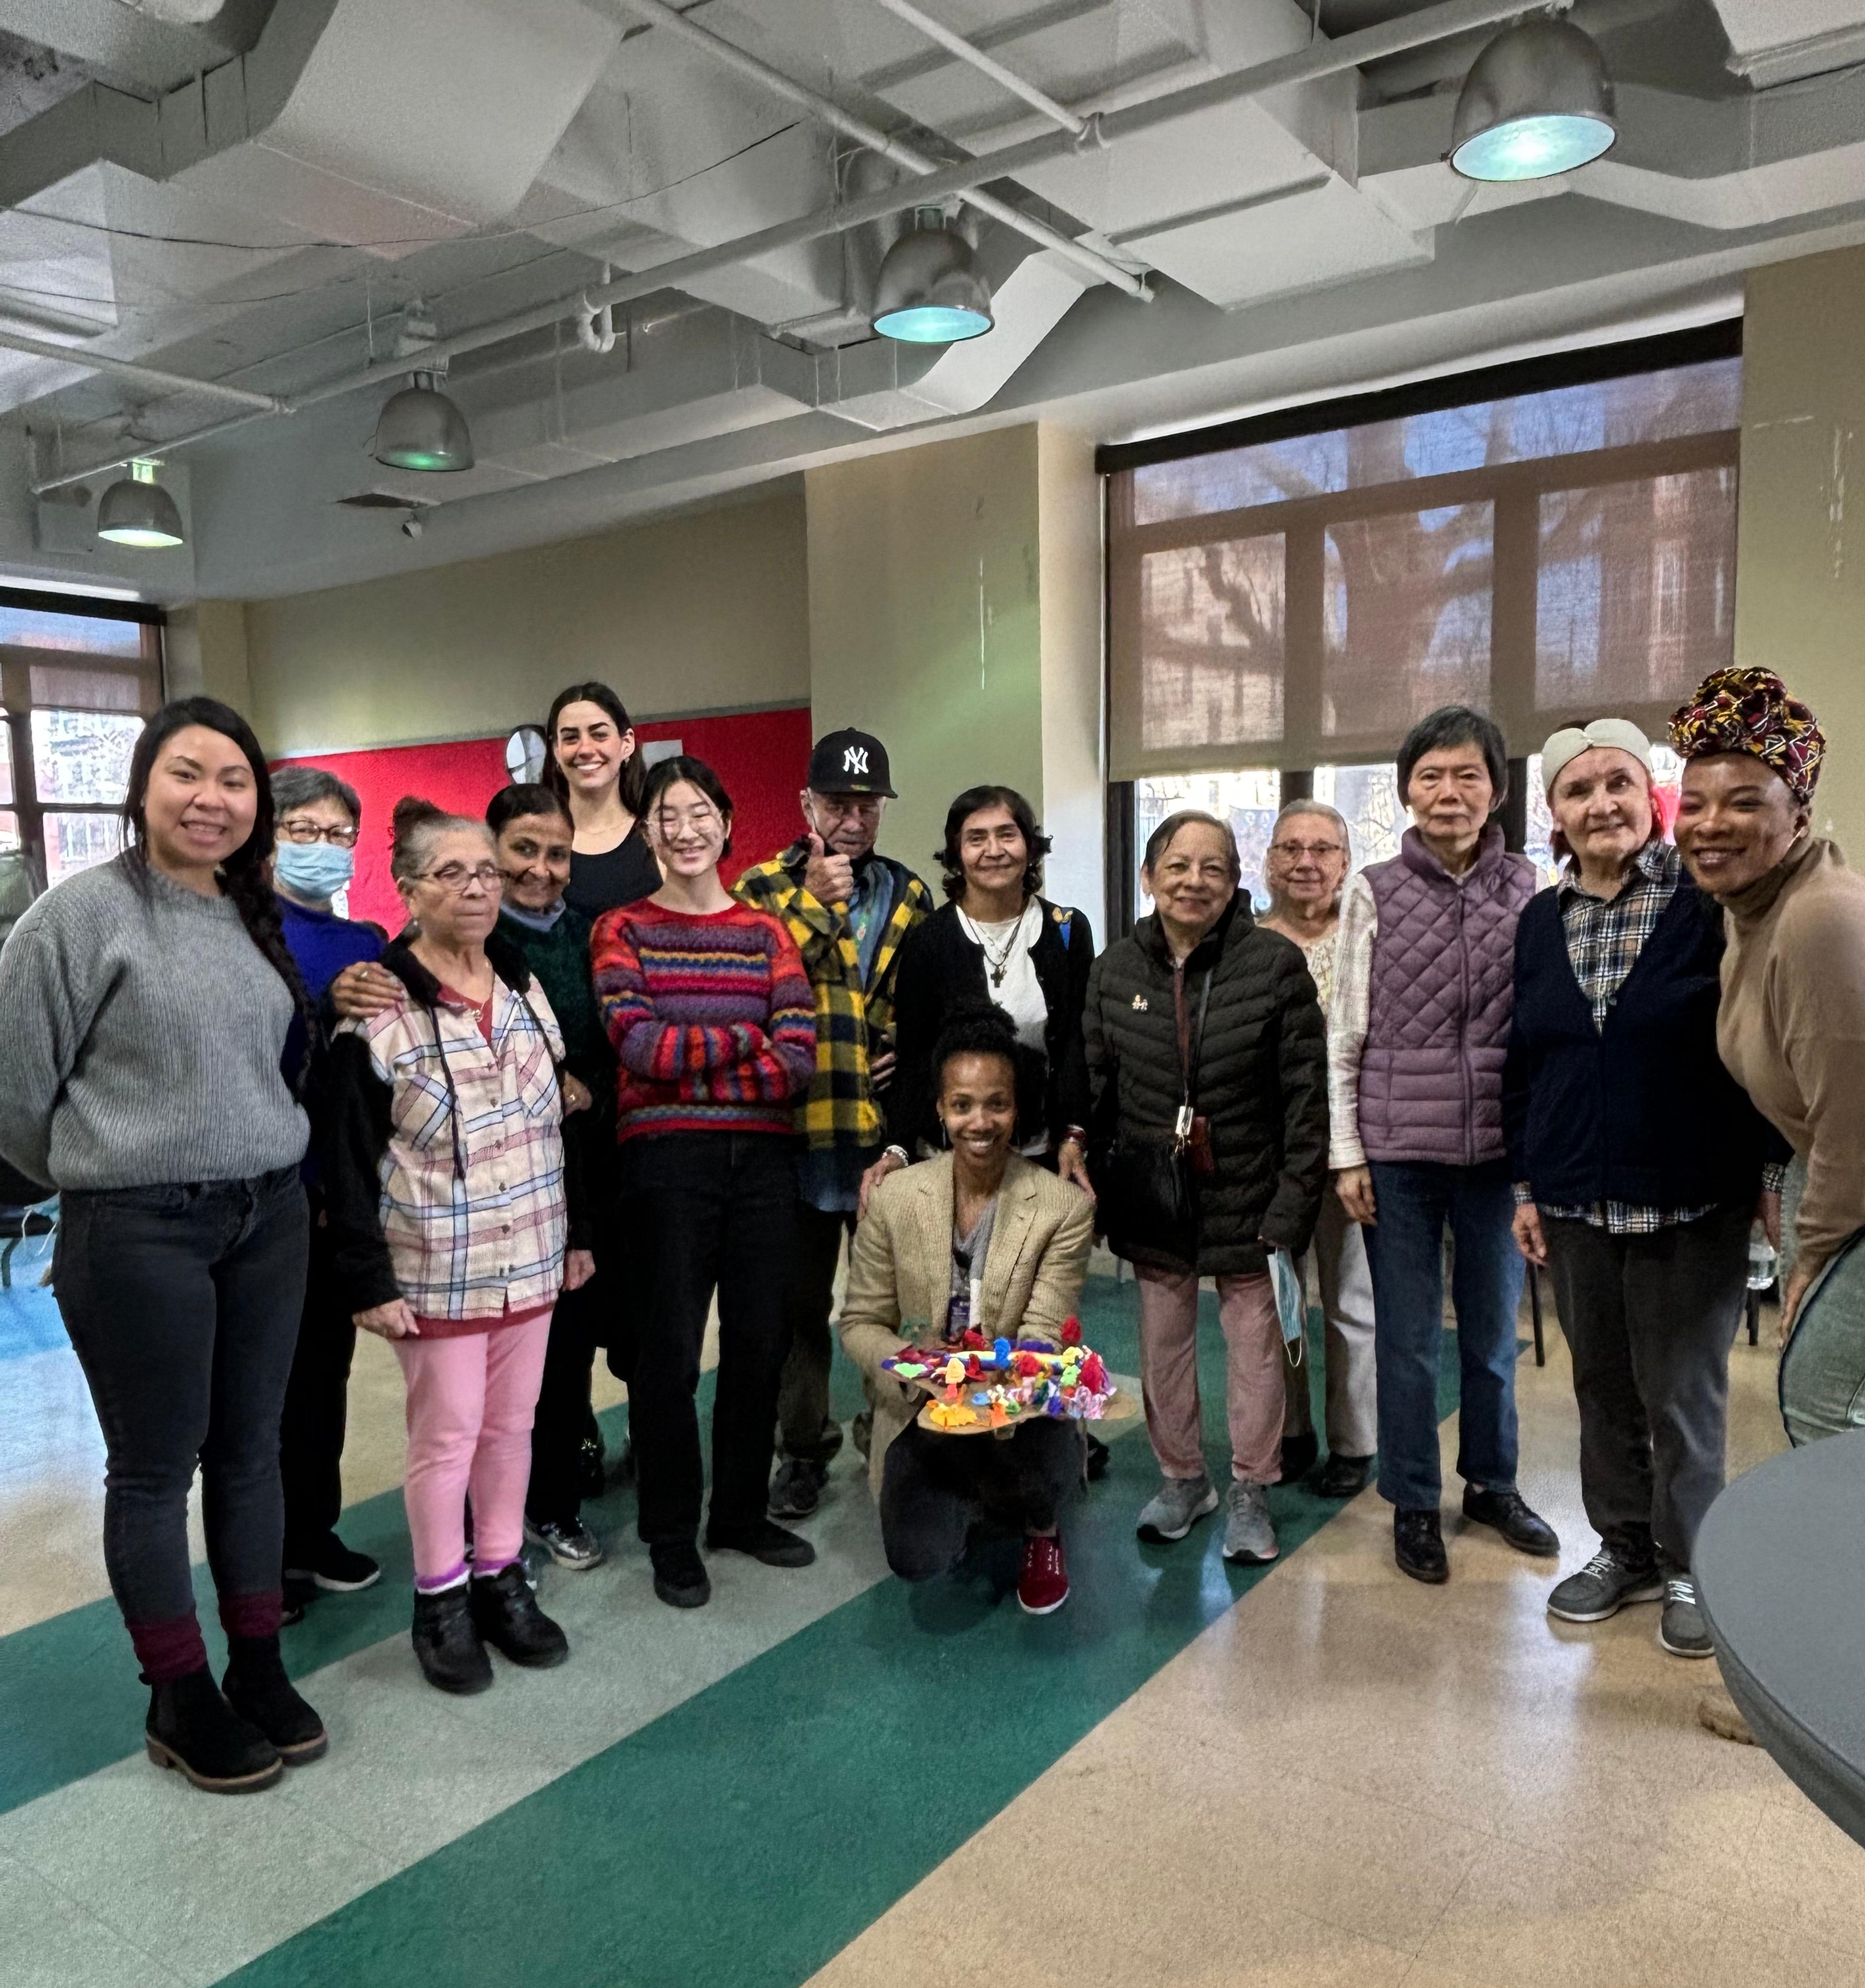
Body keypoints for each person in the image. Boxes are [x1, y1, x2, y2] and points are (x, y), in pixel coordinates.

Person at [0, 696, 324, 1796]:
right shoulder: (79, 916)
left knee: (250, 1451)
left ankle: (260, 1664)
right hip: (138, 1227)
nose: (212, 798)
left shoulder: (251, 913)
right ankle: (179, 1693)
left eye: (234, 780)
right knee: (154, 1465)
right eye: (188, 773)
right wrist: (98, 1182)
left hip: (267, 1214)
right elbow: (15, 1092)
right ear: (141, 785)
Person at [1504, 720, 1784, 1661]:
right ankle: (1622, 1545)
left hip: (1690, 1200)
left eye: (1618, 784)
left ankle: (1693, 1563)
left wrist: (1768, 1176)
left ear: (1650, 795)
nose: (1601, 805)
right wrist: (1528, 1186)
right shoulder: (1541, 923)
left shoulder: (1708, 906)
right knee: (1602, 1388)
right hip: (1578, 1199)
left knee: (1683, 1396)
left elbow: (1756, 1049)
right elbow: (1527, 1063)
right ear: (1554, 812)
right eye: (1578, 791)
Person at [323, 798, 592, 1695]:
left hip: (533, 1253)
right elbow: (349, 1163)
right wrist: (365, 1276)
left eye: (487, 871)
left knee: (513, 1427)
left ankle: (500, 1576)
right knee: (447, 1436)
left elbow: (556, 1118)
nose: (478, 887)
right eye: (452, 873)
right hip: (435, 1265)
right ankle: (439, 1601)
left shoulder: (519, 982)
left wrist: (577, 1236)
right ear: (407, 889)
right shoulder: (378, 1007)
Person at [1328, 706, 1559, 1585]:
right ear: (1407, 791)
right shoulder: (1372, 889)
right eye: (1431, 776)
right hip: (1399, 1150)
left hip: (1501, 1154)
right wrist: (1348, 1151)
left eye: (1468, 775)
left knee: (1495, 1332)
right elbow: (1344, 1031)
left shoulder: (1532, 888)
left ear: (1498, 789)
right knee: (1411, 1336)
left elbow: (1540, 1031)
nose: (1449, 792)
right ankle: (1415, 1499)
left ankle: (1492, 1483)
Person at [591, 755, 818, 1609]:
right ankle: (672, 1532)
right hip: (664, 1166)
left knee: (761, 1343)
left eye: (700, 813)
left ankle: (741, 1513)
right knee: (668, 1356)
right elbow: (637, 1046)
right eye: (666, 816)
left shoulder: (767, 932)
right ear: (645, 830)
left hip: (762, 1163)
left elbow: (796, 1059)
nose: (684, 830)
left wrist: (698, 1056)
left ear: (727, 823)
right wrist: (743, 1040)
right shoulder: (623, 928)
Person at [1084, 809, 1328, 1566]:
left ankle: (1252, 1489)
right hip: (1157, 1194)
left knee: (1256, 1347)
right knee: (1162, 1345)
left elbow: (1305, 1098)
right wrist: (1100, 1179)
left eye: (1214, 868)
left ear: (1234, 883)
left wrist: (1293, 1203)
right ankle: (1183, 1478)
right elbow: (1098, 1086)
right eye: (1179, 865)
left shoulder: (1273, 965)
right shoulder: (1114, 968)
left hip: (1251, 1191)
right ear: (1151, 876)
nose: (1195, 881)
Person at [732, 728, 932, 1520]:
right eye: (837, 803)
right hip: (795, 1128)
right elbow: (748, 984)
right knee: (797, 1300)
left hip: (881, 1131)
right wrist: (814, 900)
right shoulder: (758, 889)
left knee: (893, 1297)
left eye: (868, 804)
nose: (853, 819)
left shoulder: (910, 895)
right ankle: (801, 1445)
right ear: (807, 804)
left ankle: (890, 1425)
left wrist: (904, 1056)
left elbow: (928, 1002)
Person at [838, 1010, 1096, 1613]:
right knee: (919, 1559)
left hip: (1017, 1406)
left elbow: (1042, 1332)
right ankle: (972, 1498)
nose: (980, 1122)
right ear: (939, 1110)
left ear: (1017, 1107)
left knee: (1044, 1465)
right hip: (923, 1406)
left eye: (997, 1104)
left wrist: (994, 1374)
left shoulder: (1061, 1208)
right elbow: (859, 1323)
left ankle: (1040, 1527)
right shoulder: (896, 1196)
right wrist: (912, 1366)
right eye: (962, 1105)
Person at [1671, 668, 1865, 1442]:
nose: (1711, 822)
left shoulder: (1819, 920)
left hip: (1854, 1206)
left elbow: (1854, 1133)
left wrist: (1812, 1262)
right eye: (1694, 803)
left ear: (1798, 816)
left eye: (1745, 801)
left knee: (1826, 1414)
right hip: (1830, 1186)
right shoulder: (1749, 911)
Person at [488, 782, 616, 1571]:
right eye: (524, 850)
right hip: (491, 1185)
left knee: (566, 1354)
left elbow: (610, 1038)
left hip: (580, 1176)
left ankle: (554, 1504)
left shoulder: (591, 934)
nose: (541, 868)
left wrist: (588, 1085)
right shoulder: (466, 934)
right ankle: (489, 1519)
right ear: (494, 850)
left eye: (558, 853)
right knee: (496, 1368)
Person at [269, 764, 387, 1617]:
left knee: (325, 1375)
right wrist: (317, 1000)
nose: (322, 848)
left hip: (333, 1198)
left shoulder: (367, 940)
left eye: (338, 833)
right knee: (261, 1390)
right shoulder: (245, 933)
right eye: (303, 831)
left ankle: (316, 1532)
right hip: (259, 1198)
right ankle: (265, 1559)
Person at [881, 784, 1096, 1195]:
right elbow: (915, 1056)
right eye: (976, 839)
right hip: (950, 1156)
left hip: (1040, 1155)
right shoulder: (929, 940)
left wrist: (1074, 1136)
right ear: (957, 854)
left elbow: (1075, 1046)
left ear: (1030, 847)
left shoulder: (1067, 931)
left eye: (1007, 835)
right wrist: (899, 1146)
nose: (993, 850)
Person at [1257, 799, 1378, 1498]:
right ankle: (1290, 1430)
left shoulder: (1367, 941)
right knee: (1276, 1298)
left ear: (1344, 861)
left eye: (1324, 849)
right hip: (1270, 1154)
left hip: (1350, 1152)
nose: (1307, 862)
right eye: (1291, 849)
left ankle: (1356, 1441)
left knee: (1351, 1299)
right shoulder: (1247, 942)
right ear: (1270, 861)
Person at [546, 681, 661, 923]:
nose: (585, 749)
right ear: (556, 751)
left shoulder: (657, 838)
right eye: (570, 738)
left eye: (599, 735)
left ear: (627, 744)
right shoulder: (539, 845)